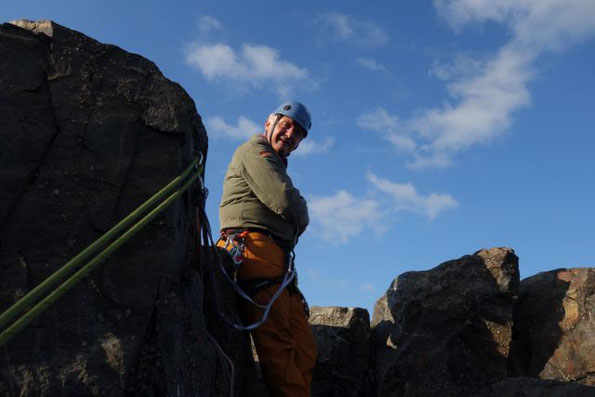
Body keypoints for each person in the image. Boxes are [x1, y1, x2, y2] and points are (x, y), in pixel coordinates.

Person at [217, 101, 317, 397]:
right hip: (254, 249)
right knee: (279, 345)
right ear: (269, 123)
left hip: (278, 262)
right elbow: (285, 200)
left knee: (305, 349)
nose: (289, 134)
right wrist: (302, 213)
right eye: (286, 125)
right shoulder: (254, 150)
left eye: (297, 133)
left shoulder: (274, 162)